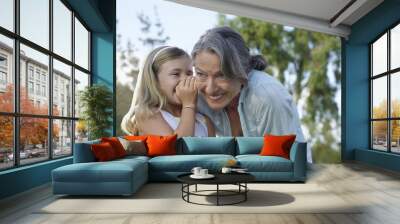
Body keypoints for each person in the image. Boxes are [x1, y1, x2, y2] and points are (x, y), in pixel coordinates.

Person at [192, 26, 306, 144]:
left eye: (222, 75)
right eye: (201, 74)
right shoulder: (195, 95)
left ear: (243, 70)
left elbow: (286, 159)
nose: (210, 89)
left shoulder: (267, 97)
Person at [121, 46, 215, 137]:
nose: (185, 79)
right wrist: (189, 105)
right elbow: (178, 148)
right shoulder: (147, 114)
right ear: (155, 81)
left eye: (189, 73)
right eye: (176, 74)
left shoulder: (204, 121)